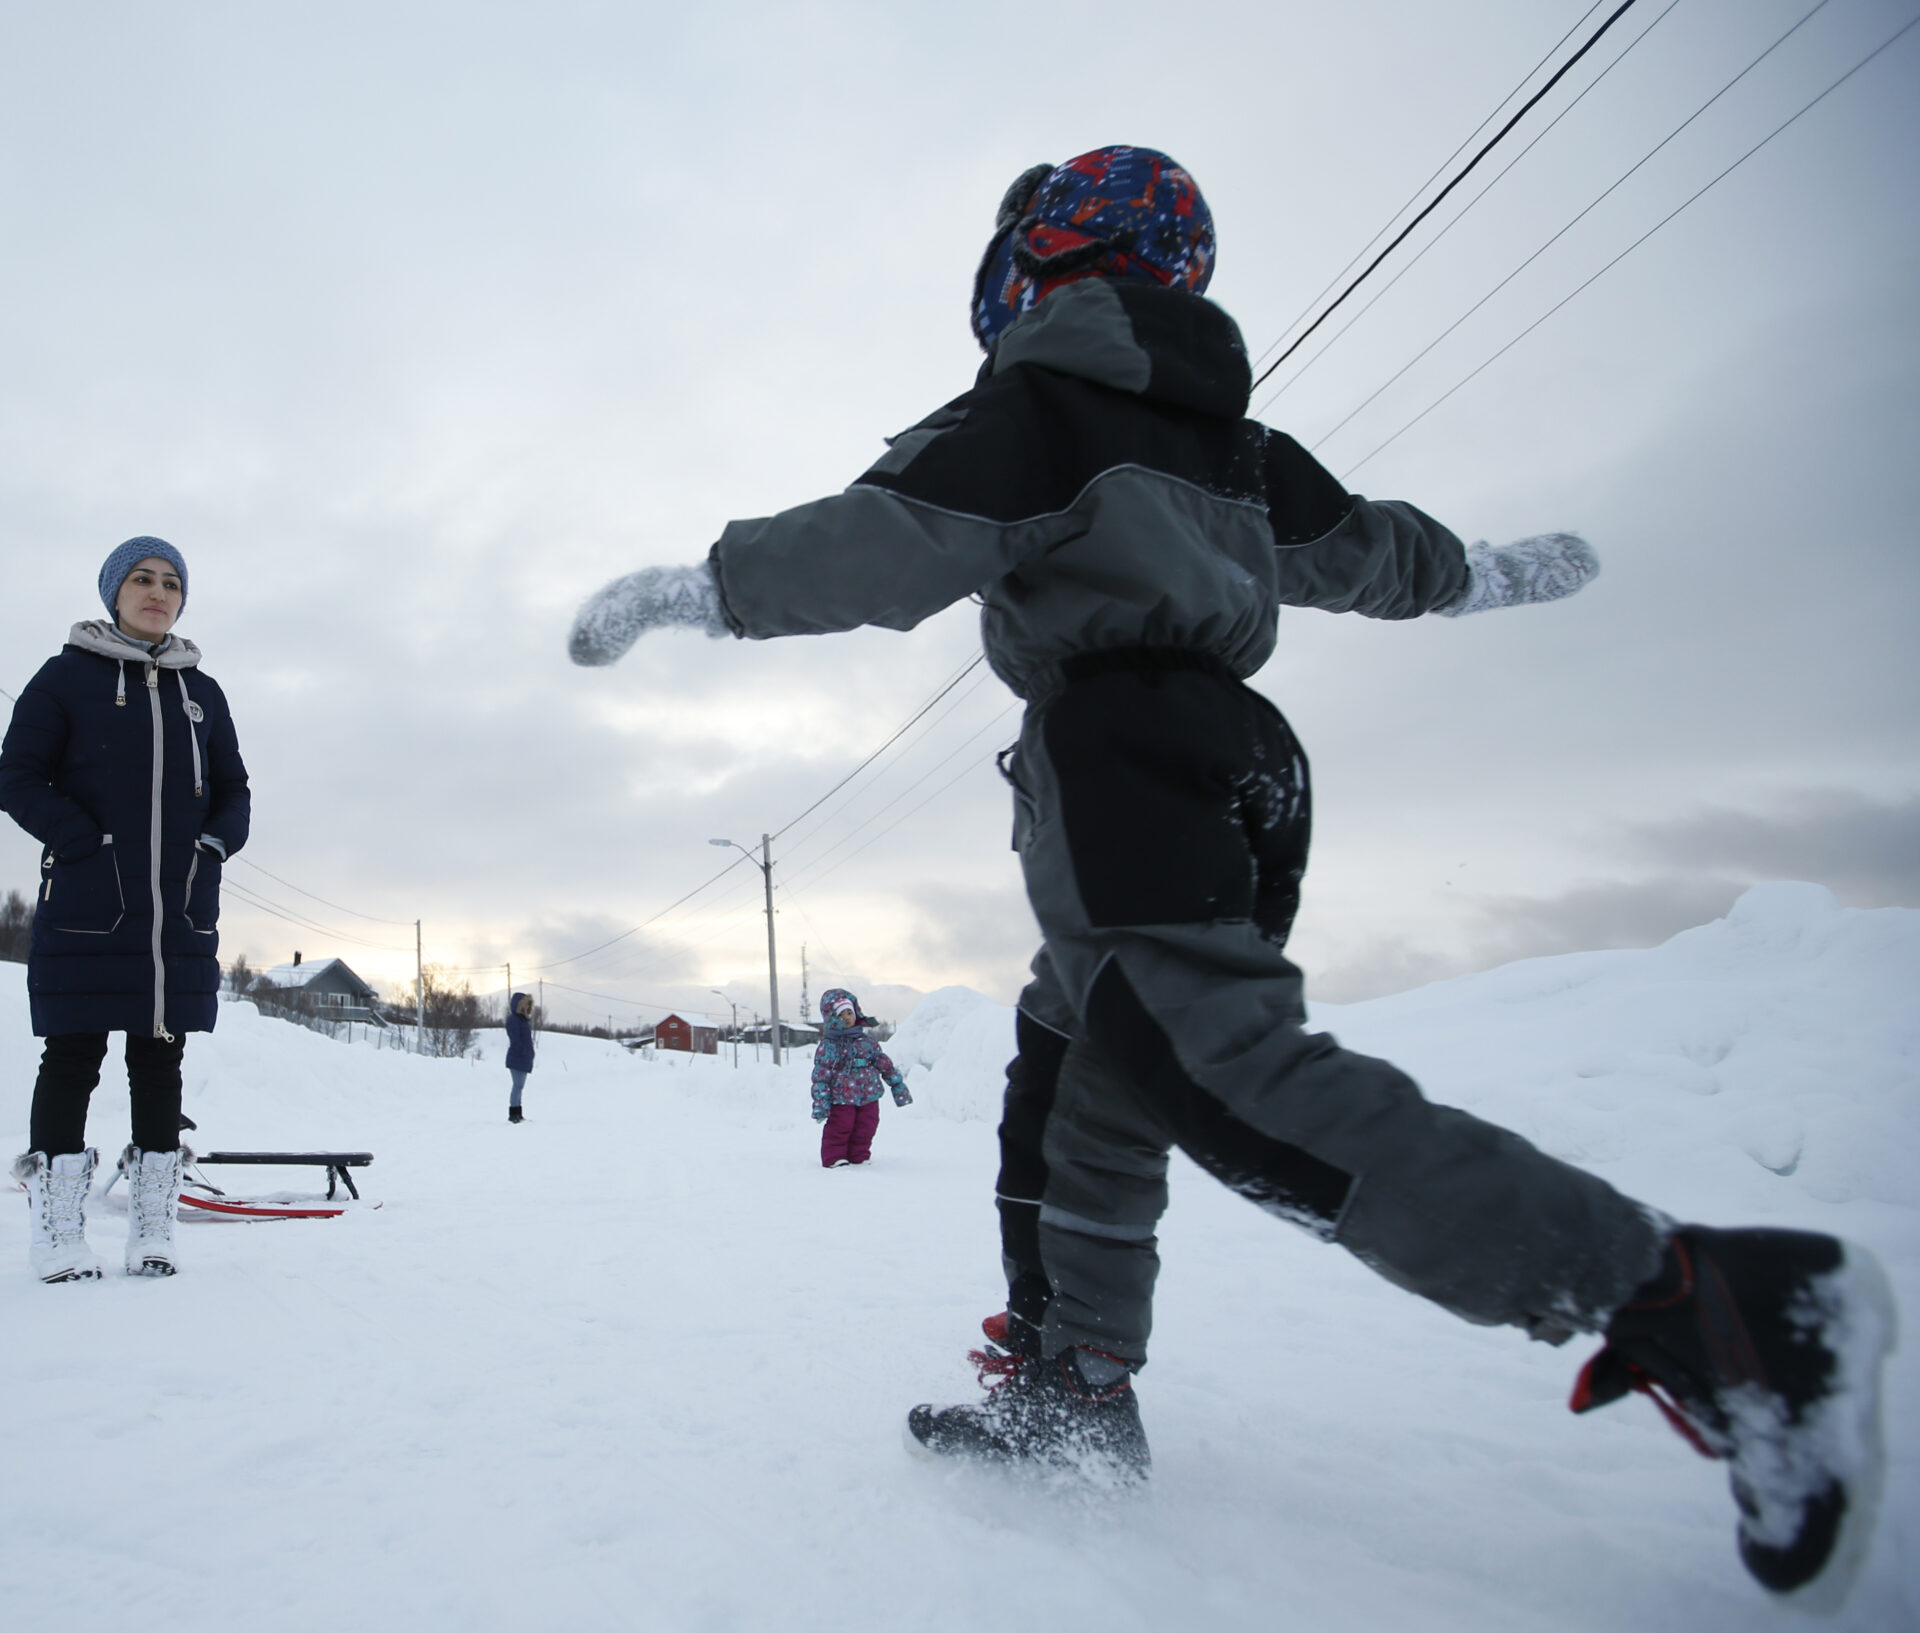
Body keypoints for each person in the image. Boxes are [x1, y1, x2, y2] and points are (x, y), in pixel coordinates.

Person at [564, 147, 1893, 1597]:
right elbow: (1375, 551)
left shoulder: (1044, 404)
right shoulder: (1238, 446)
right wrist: (1495, 568)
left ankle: (1710, 1301)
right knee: (1084, 1084)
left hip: (1119, 750)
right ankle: (1078, 1384)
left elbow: (898, 539)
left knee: (1231, 1080)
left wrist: (710, 587)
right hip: (1244, 762)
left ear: (1048, 259)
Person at [0, 535, 251, 1283]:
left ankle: (152, 1229)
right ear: (114, 592)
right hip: (88, 900)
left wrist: (212, 847)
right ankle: (58, 1233)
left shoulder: (202, 693)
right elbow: (18, 777)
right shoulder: (64, 678)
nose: (158, 590)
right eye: (142, 578)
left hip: (177, 912)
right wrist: (85, 841)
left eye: (171, 581)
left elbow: (235, 791)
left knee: (159, 1055)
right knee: (73, 1055)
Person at [808, 988, 910, 1166]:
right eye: (841, 1014)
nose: (847, 1017)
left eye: (850, 1012)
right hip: (841, 1097)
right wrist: (820, 1103)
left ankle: (859, 1155)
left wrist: (897, 1085)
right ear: (831, 1018)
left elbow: (883, 1063)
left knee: (867, 1125)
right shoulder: (829, 1046)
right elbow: (821, 1077)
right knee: (841, 1126)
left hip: (868, 1095)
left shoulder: (866, 1042)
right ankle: (834, 1156)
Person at [504, 991, 536, 1122]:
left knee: (520, 1086)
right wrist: (523, 1051)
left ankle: (518, 1113)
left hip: (524, 1059)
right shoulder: (513, 1019)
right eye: (526, 1004)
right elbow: (515, 1039)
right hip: (517, 1058)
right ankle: (513, 1114)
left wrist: (530, 1053)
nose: (528, 1007)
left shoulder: (524, 1021)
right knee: (517, 1086)